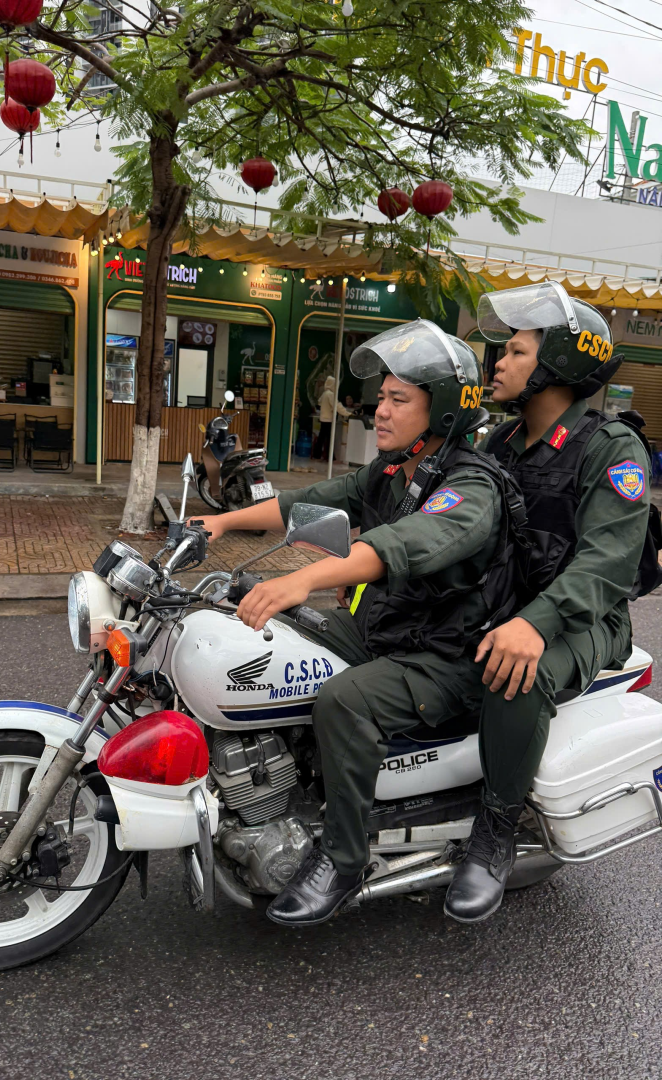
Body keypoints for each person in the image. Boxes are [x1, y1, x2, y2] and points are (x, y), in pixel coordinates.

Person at [196, 320, 519, 927]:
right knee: (273, 640)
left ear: (442, 410)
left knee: (344, 700)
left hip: (445, 656)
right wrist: (221, 523)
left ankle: (344, 860)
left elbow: (406, 542)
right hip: (387, 630)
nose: (381, 411)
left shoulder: (471, 485)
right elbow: (310, 502)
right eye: (381, 398)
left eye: (399, 399)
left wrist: (304, 579)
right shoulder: (393, 469)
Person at [443, 282, 651, 924]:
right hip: (507, 603)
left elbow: (607, 563)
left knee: (517, 674)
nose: (498, 362)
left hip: (585, 619)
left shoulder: (611, 447)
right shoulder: (499, 444)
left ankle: (496, 831)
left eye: (516, 352)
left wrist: (535, 624)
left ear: (557, 365)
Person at [312, 375, 352, 460]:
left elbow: (319, 403)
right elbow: (337, 406)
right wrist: (348, 414)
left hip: (323, 418)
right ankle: (329, 457)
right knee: (329, 439)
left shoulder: (325, 393)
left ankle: (317, 455)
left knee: (322, 438)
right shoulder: (330, 394)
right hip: (328, 420)